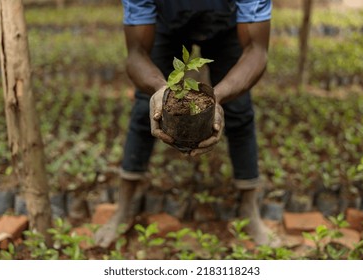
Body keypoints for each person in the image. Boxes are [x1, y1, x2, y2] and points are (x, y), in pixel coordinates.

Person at [95, 0, 279, 248]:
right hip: (165, 25)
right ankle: (124, 207)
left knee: (239, 109)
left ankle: (249, 208)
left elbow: (257, 50)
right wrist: (161, 90)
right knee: (145, 108)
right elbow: (136, 52)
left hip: (227, 25)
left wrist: (218, 97)